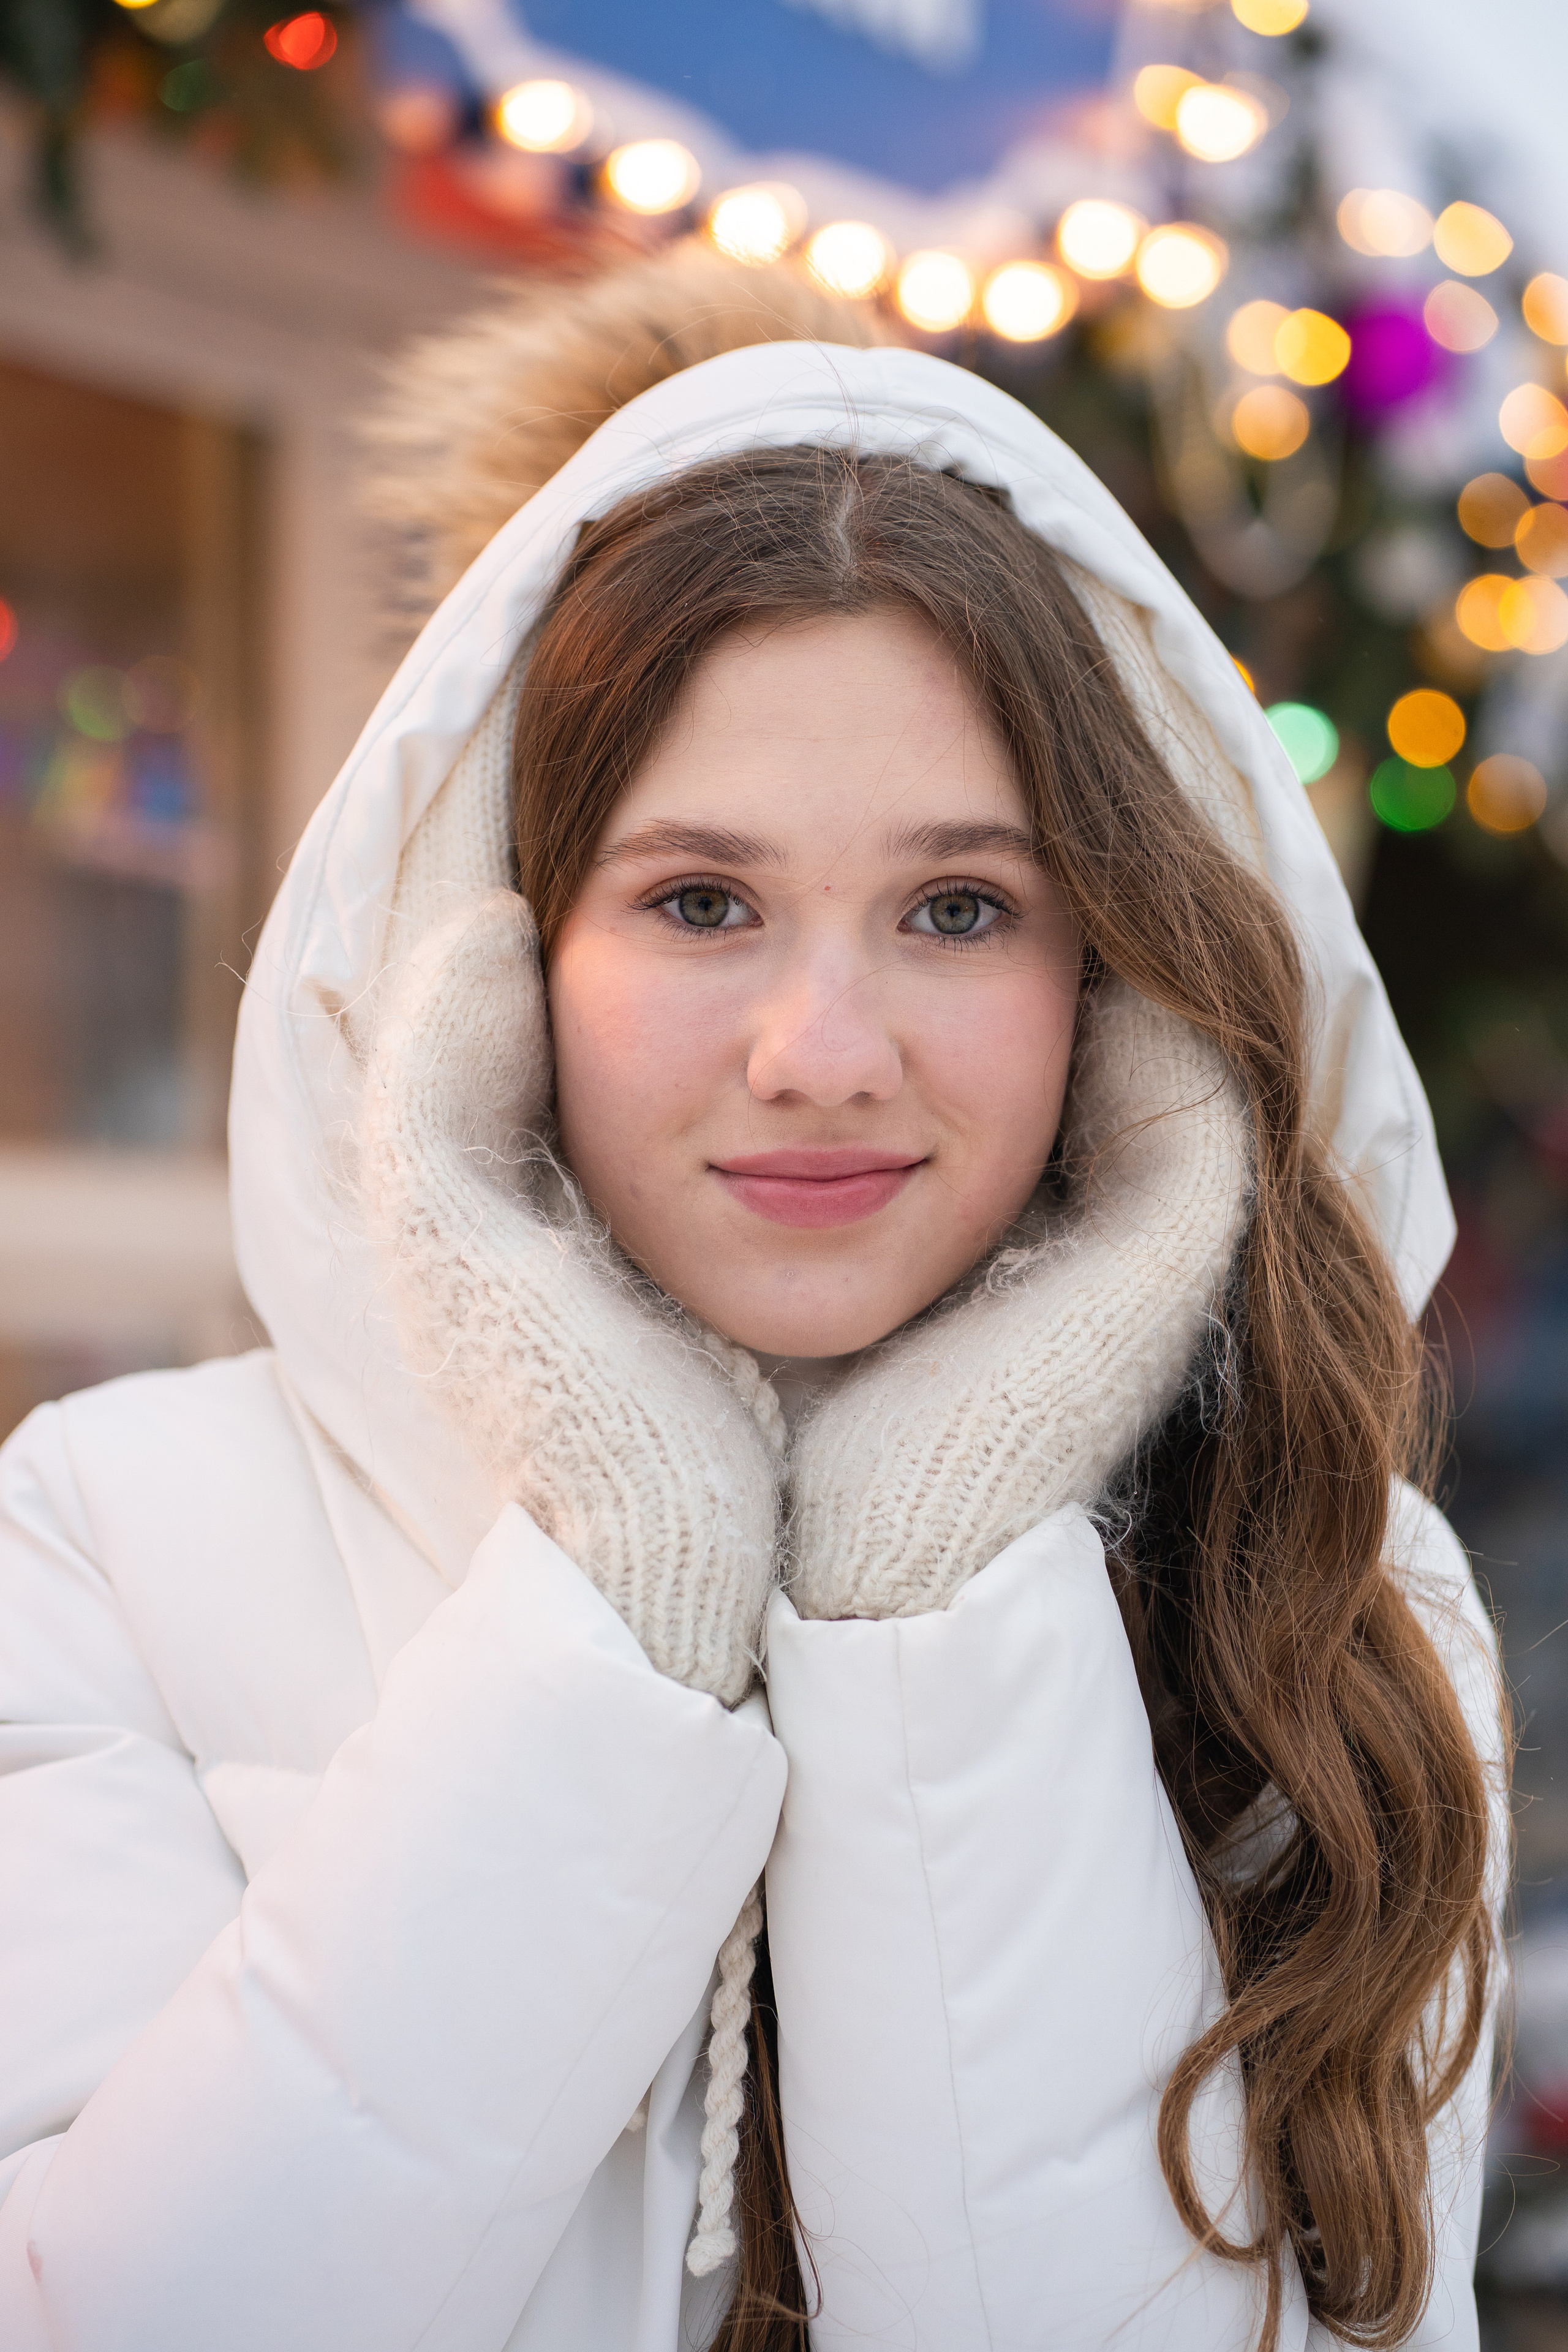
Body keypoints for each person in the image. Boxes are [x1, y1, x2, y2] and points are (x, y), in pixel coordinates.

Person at [0, 251, 1506, 2352]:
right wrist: (627, 1587)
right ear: (494, 957)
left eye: (959, 909)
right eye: (700, 901)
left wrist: (936, 1575)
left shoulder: (1338, 1589)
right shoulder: (114, 1536)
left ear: (1123, 983)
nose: (822, 1049)